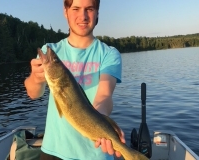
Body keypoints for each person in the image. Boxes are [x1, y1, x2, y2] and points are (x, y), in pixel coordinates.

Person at [24, 0, 124, 159]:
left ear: (97, 12)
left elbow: (105, 96)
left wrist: (101, 126)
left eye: (89, 9)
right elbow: (33, 93)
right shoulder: (51, 50)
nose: (83, 16)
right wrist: (36, 79)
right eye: (76, 8)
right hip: (53, 151)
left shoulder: (109, 54)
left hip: (96, 154)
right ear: (65, 11)